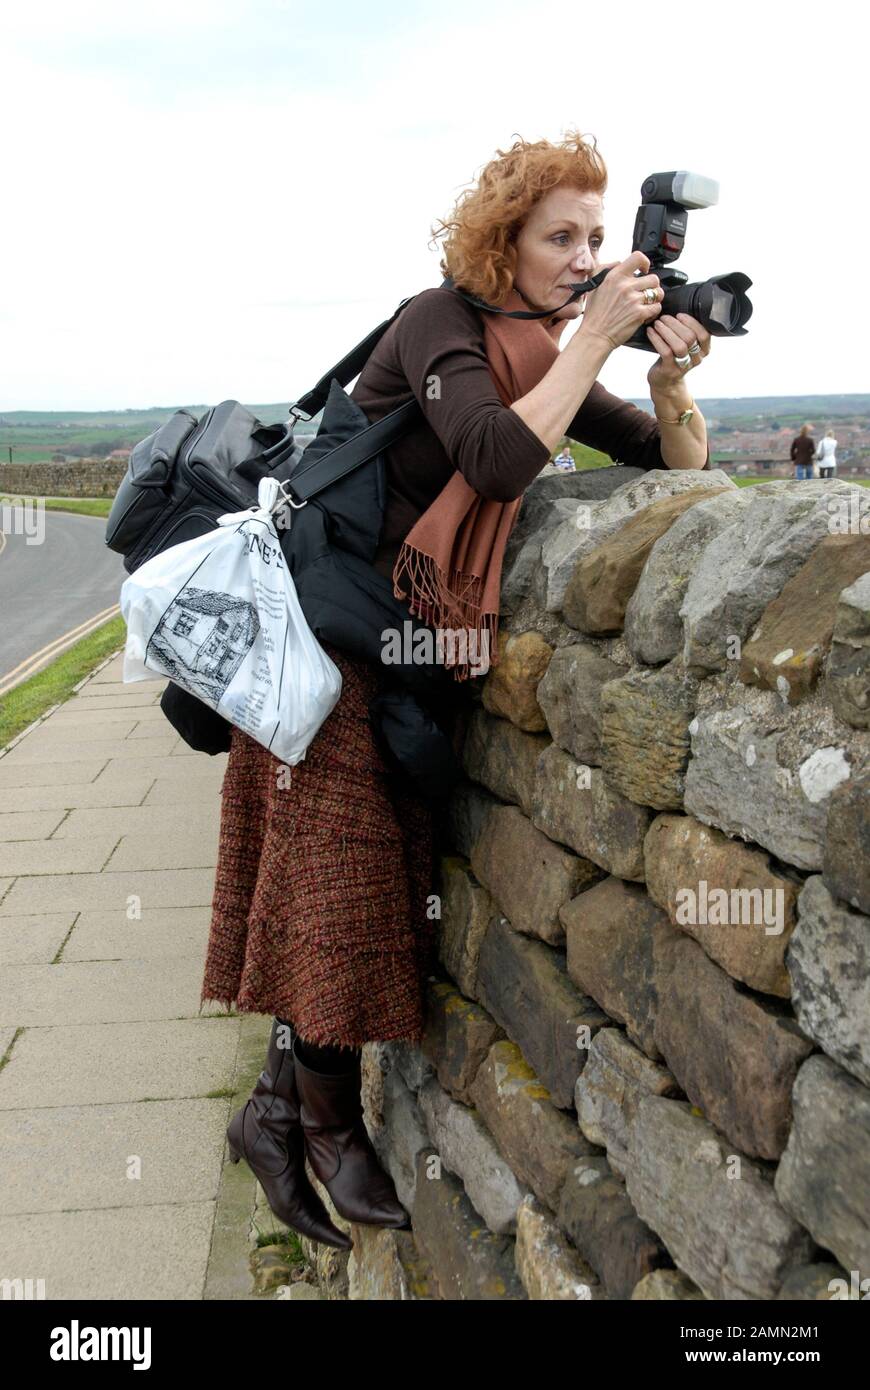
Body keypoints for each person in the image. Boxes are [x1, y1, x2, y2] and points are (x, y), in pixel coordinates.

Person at [202, 128, 713, 1248]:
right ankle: (326, 1127)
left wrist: (666, 382)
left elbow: (669, 466)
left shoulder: (537, 353)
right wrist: (591, 344)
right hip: (322, 634)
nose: (582, 257)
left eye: (595, 235)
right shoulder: (440, 323)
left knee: (361, 883)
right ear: (505, 240)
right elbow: (490, 455)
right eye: (560, 237)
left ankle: (276, 1113)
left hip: (396, 651)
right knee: (337, 886)